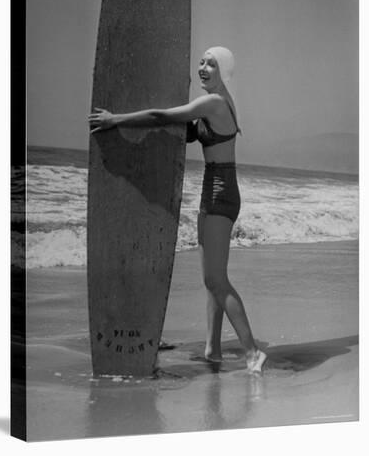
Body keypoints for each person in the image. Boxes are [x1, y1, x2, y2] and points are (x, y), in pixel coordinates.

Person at [88, 46, 267, 374]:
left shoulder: (213, 103)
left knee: (216, 278)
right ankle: (213, 350)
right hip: (213, 191)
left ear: (223, 70)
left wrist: (116, 120)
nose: (203, 67)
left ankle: (253, 352)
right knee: (212, 279)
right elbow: (183, 132)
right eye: (201, 61)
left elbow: (163, 117)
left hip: (220, 192)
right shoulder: (214, 103)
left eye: (211, 64)